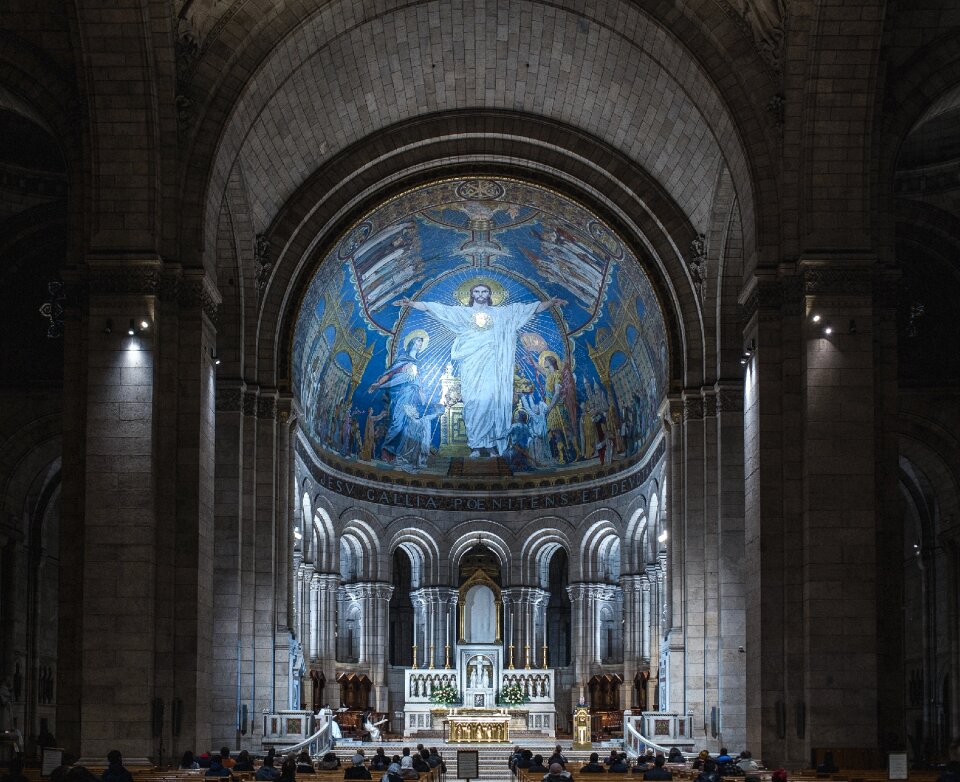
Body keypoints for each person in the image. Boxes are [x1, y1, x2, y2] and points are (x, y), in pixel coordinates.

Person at [397, 282, 565, 457]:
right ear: (471, 294)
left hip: (493, 366)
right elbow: (439, 309)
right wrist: (413, 304)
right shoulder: (463, 313)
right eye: (477, 291)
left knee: (492, 401)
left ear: (490, 293)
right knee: (473, 402)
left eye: (484, 291)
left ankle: (492, 446)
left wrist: (549, 303)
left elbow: (529, 309)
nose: (480, 294)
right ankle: (476, 446)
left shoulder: (501, 313)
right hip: (471, 366)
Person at [368, 331, 428, 463]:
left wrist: (422, 392)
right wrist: (379, 383)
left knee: (407, 425)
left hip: (411, 395)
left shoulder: (418, 363)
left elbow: (418, 380)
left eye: (421, 343)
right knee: (397, 423)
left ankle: (397, 454)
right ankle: (385, 451)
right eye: (418, 341)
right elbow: (390, 374)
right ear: (412, 342)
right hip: (399, 393)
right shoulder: (402, 359)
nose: (420, 344)